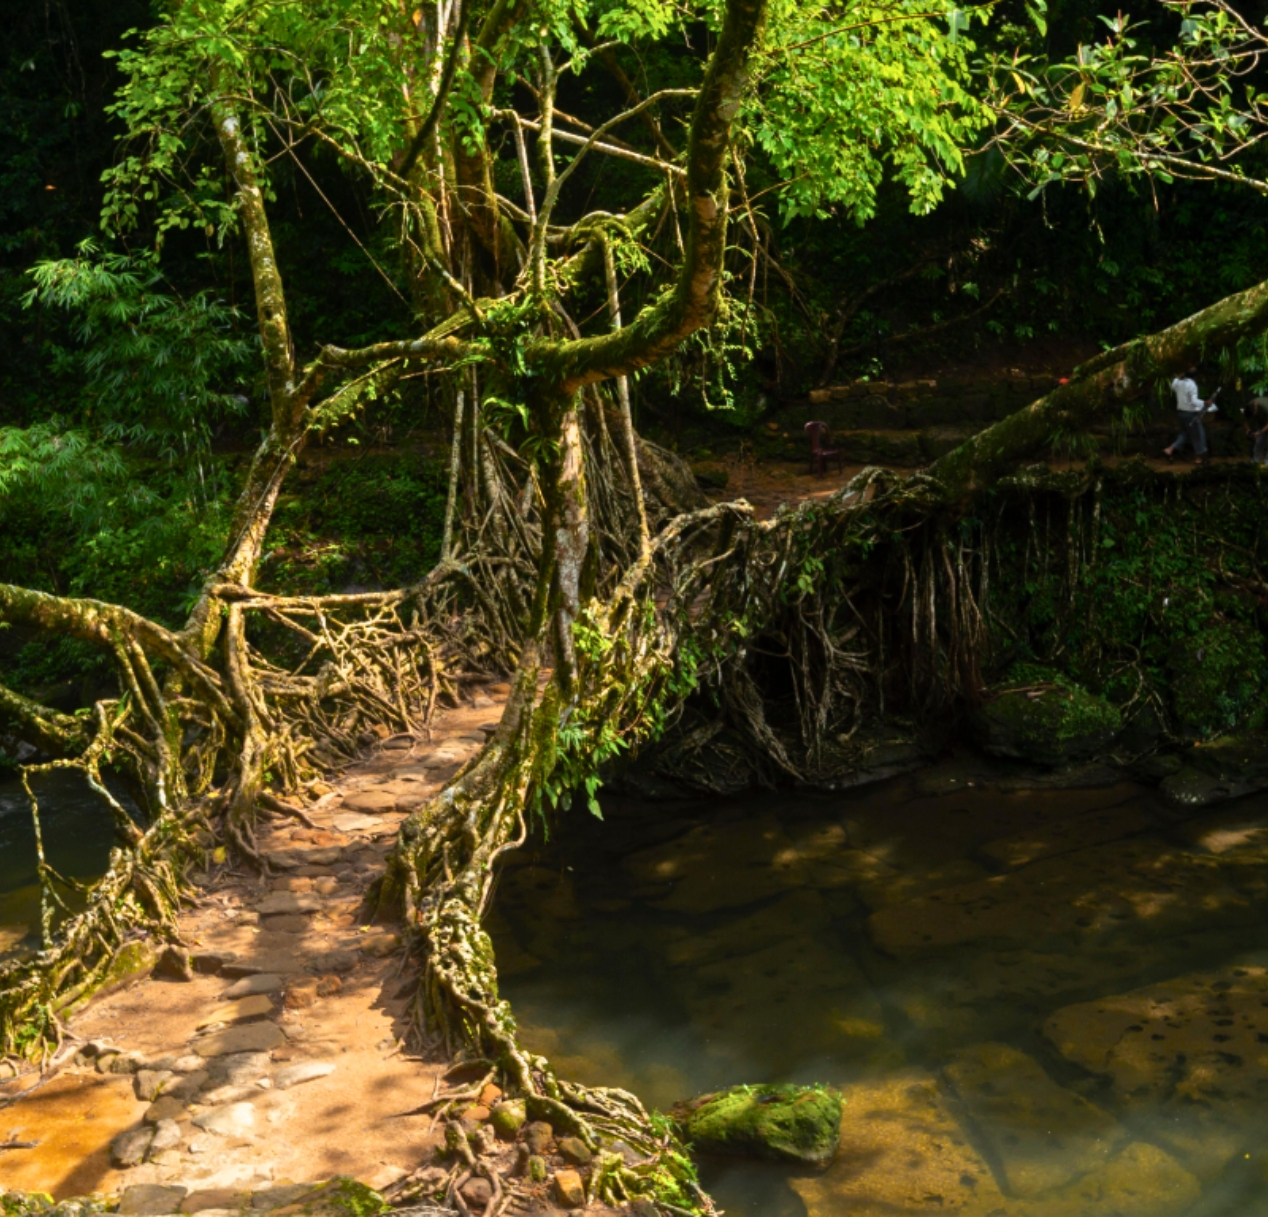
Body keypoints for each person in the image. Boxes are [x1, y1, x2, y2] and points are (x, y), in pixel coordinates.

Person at [1163, 367, 1217, 464]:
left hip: (1181, 413)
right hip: (1190, 414)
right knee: (1199, 434)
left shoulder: (1178, 383)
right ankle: (1200, 458)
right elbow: (1194, 401)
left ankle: (1170, 449)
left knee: (1185, 434)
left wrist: (1178, 377)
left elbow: (1172, 386)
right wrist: (1205, 402)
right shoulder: (1192, 385)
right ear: (1196, 376)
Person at [1245, 393, 1268, 465]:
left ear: (1256, 408)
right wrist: (1248, 430)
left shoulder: (1265, 405)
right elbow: (1244, 419)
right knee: (1259, 441)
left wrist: (1260, 432)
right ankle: (1255, 462)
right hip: (1262, 422)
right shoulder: (1248, 407)